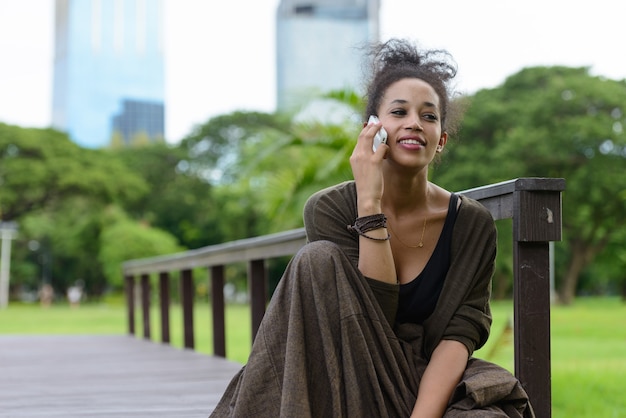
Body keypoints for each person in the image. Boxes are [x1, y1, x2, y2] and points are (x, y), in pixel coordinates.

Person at [210, 39, 534, 417]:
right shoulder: (330, 208)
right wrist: (369, 204)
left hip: (425, 380)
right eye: (399, 112)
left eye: (429, 116)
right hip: (346, 369)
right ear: (372, 129)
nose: (414, 122)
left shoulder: (471, 223)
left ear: (441, 139)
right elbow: (367, 319)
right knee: (317, 259)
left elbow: (458, 338)